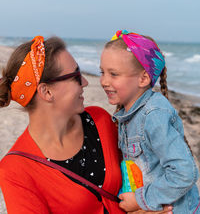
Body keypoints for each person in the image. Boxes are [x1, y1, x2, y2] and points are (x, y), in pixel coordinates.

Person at [0, 35, 173, 214]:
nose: (85, 82)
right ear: (47, 91)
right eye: (75, 76)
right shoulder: (15, 171)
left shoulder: (99, 120)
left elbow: (135, 177)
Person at [100, 30, 200, 214]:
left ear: (143, 78)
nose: (104, 81)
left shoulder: (153, 114)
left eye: (113, 74)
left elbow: (185, 172)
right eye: (102, 72)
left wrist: (140, 200)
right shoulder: (128, 113)